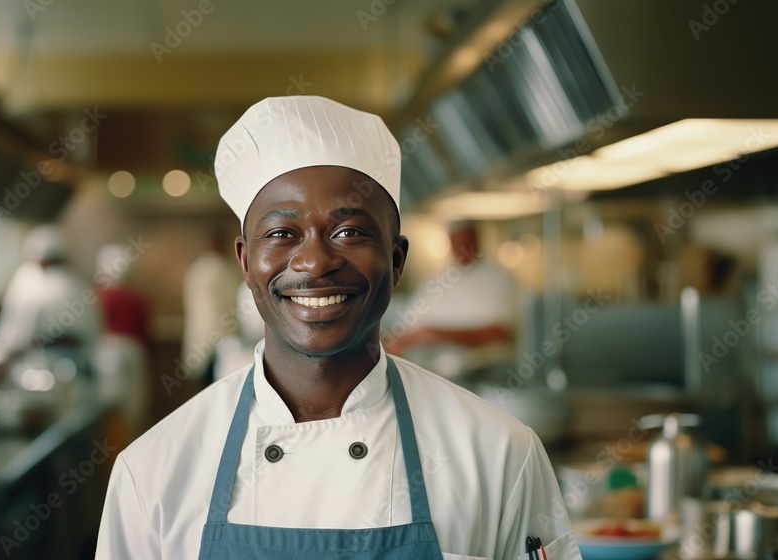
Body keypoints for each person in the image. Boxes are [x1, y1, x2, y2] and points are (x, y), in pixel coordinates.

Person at [96, 96, 581, 559]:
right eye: (282, 234)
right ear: (246, 262)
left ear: (396, 260)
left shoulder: (500, 456)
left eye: (348, 232)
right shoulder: (153, 472)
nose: (314, 261)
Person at [385, 221, 517, 360]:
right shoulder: (437, 279)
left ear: (477, 238)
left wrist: (438, 334)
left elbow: (498, 333)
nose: (462, 245)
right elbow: (404, 330)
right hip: (427, 367)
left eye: (466, 238)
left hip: (477, 369)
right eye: (457, 240)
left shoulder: (497, 279)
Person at [0, 225, 101, 380]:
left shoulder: (33, 283)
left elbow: (18, 334)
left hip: (38, 370)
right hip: (77, 370)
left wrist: (3, 361)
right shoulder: (79, 284)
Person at [94, 243, 153, 435]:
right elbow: (145, 332)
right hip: (132, 352)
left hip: (106, 353)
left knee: (111, 406)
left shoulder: (98, 297)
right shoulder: (136, 298)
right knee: (133, 406)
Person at [181, 227, 241, 386]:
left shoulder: (196, 269)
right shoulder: (222, 270)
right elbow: (233, 305)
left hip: (200, 339)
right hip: (221, 340)